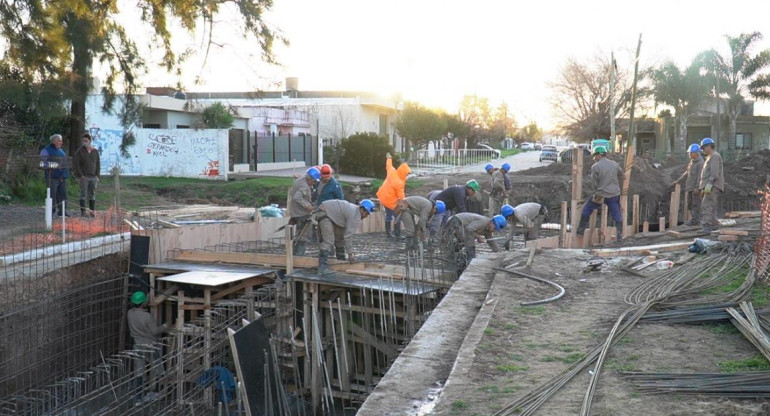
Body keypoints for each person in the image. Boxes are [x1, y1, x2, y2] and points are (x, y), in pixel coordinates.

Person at [576, 146, 625, 242]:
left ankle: (580, 231)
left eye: (595, 156)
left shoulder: (596, 167)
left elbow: (594, 183)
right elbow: (622, 174)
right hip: (614, 194)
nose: (594, 158)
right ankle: (619, 235)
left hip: (601, 194)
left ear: (599, 155)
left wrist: (596, 191)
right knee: (616, 214)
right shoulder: (614, 164)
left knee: (587, 209)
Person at [314, 199, 374, 273]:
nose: (366, 216)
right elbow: (348, 236)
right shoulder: (355, 216)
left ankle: (340, 260)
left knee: (340, 238)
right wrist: (350, 254)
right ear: (362, 210)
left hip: (329, 212)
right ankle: (322, 268)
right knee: (328, 240)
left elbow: (343, 235)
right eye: (367, 213)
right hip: (324, 213)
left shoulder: (354, 211)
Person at [127, 291, 166, 402]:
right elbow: (154, 331)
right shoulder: (147, 316)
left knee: (139, 371)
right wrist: (165, 326)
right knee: (158, 369)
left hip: (138, 346)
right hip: (151, 346)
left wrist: (148, 296)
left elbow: (142, 304)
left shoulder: (130, 313)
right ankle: (159, 393)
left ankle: (138, 397)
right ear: (144, 303)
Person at [376, 152, 411, 238]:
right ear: (404, 173)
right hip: (391, 201)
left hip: (383, 197)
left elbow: (389, 166)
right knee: (397, 216)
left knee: (388, 216)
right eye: (407, 173)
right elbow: (401, 196)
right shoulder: (399, 183)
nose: (407, 175)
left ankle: (388, 234)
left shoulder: (392, 171)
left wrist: (389, 158)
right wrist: (405, 204)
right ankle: (397, 234)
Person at [289, 167, 320, 256]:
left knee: (298, 234)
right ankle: (299, 256)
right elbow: (297, 197)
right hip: (301, 213)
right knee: (303, 235)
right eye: (313, 181)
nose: (313, 184)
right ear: (309, 178)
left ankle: (293, 255)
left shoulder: (300, 180)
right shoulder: (304, 185)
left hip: (296, 212)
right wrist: (308, 206)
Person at [672, 143, 704, 226]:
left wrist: (698, 188)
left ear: (696, 153)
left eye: (690, 153)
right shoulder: (692, 162)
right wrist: (678, 181)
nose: (689, 154)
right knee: (690, 204)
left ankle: (695, 221)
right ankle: (694, 219)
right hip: (690, 187)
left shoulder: (700, 163)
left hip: (696, 188)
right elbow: (687, 173)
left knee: (696, 204)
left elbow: (700, 177)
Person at [698, 138, 724, 233]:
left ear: (709, 146)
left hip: (713, 185)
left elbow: (714, 172)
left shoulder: (714, 156)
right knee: (711, 205)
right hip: (711, 185)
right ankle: (713, 224)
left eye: (704, 148)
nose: (703, 150)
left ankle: (707, 226)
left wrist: (709, 184)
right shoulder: (710, 156)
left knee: (707, 205)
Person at [40, 134, 70, 217]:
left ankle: (62, 211)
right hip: (52, 177)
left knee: (63, 194)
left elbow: (64, 163)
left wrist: (65, 173)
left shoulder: (61, 151)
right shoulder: (46, 150)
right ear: (54, 141)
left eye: (61, 141)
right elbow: (42, 163)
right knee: (52, 195)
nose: (61, 142)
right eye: (59, 140)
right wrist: (53, 165)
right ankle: (52, 212)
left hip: (62, 177)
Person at [72, 133, 101, 217]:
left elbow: (98, 164)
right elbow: (76, 164)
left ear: (90, 141)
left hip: (93, 176)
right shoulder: (79, 151)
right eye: (83, 141)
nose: (84, 142)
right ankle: (83, 211)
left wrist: (97, 175)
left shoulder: (95, 151)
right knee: (83, 194)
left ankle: (92, 211)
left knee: (92, 194)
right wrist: (81, 176)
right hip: (84, 176)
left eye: (86, 141)